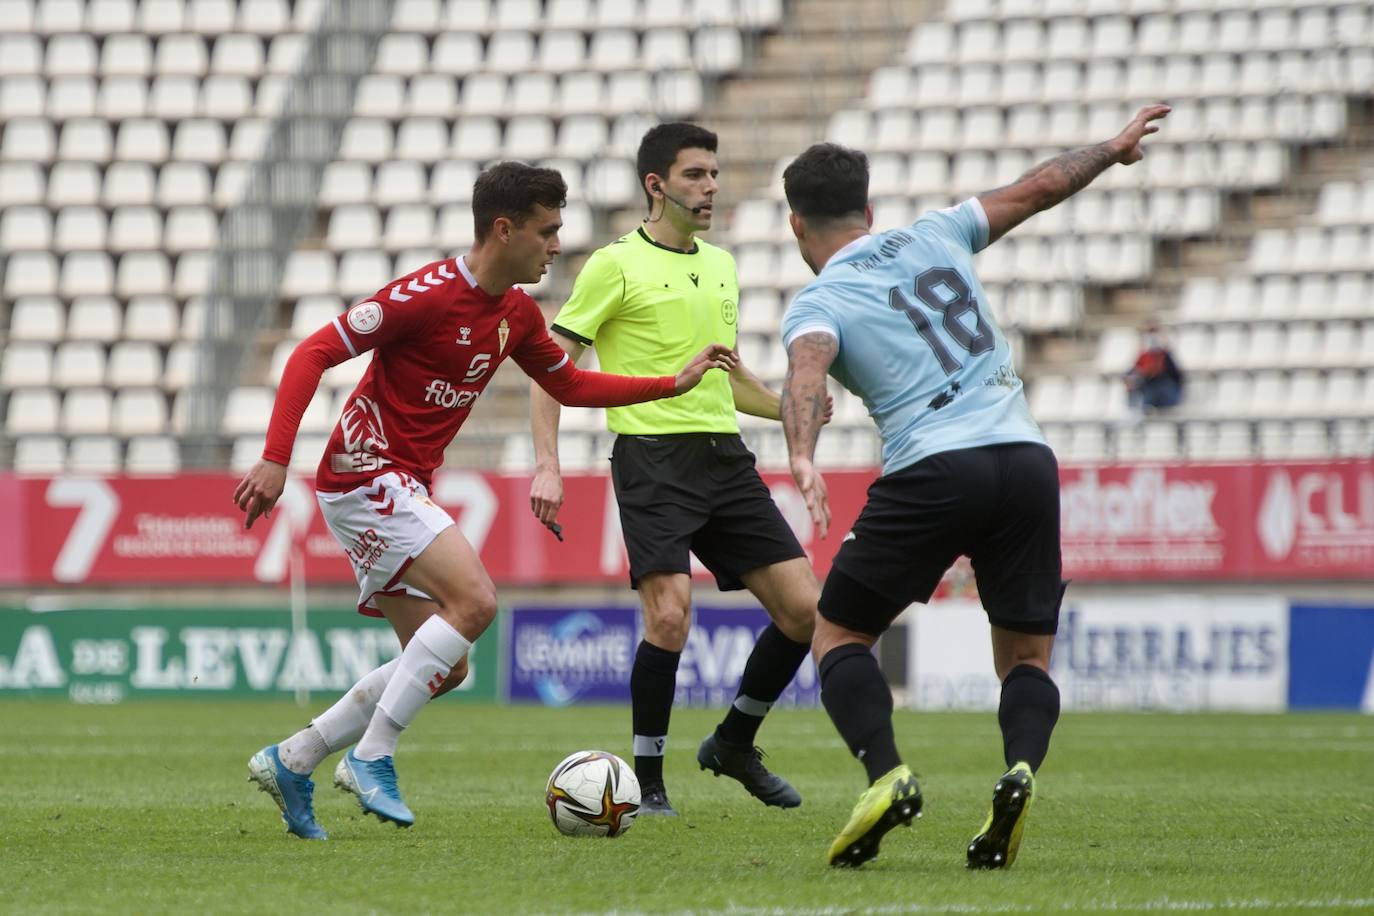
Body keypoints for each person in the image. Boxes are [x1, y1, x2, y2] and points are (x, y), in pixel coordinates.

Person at [236, 161, 737, 839]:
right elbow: (312, 354)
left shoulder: (517, 315)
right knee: (474, 603)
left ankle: (294, 758)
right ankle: (371, 756)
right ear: (504, 230)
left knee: (446, 662)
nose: (557, 245)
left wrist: (669, 384)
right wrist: (274, 459)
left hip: (399, 484)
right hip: (364, 475)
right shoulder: (425, 294)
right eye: (547, 230)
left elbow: (572, 387)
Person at [778, 104, 1171, 868]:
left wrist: (801, 457)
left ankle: (886, 775)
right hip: (1024, 457)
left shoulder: (819, 300)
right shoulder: (937, 231)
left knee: (839, 634)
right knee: (1026, 657)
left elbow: (805, 377)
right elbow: (1038, 187)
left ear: (797, 226)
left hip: (934, 467)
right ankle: (1019, 769)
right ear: (869, 207)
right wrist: (1112, 147)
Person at [528, 122, 827, 816]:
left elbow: (727, 381)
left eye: (715, 174)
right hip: (652, 461)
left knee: (805, 610)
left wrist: (791, 407)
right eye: (695, 175)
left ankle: (733, 742)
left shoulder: (721, 265)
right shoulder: (613, 265)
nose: (711, 187)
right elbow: (551, 372)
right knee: (670, 616)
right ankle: (648, 782)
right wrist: (548, 463)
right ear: (656, 186)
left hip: (724, 456)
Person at [1124, 324, 1184, 413]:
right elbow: (1132, 372)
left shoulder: (1165, 356)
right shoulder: (1143, 356)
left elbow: (1176, 376)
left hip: (1164, 392)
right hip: (1148, 389)